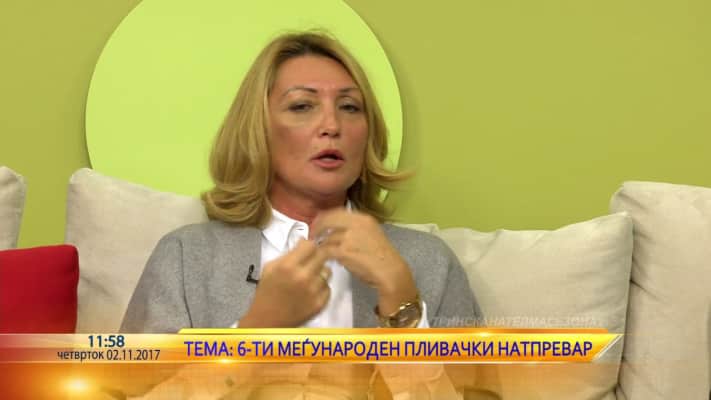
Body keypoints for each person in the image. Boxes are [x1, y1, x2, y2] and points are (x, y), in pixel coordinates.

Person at [120, 31, 497, 399]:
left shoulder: (429, 263)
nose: (332, 126)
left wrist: (402, 304)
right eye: (302, 106)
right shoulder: (186, 258)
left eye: (349, 107)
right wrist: (256, 331)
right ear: (258, 129)